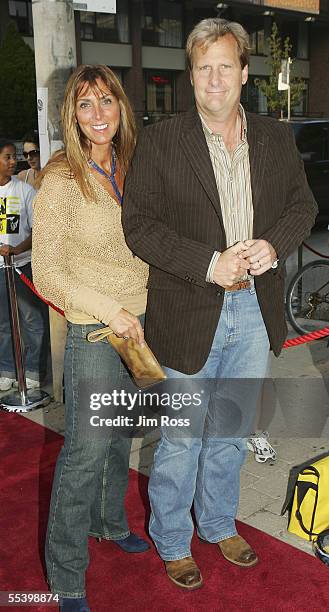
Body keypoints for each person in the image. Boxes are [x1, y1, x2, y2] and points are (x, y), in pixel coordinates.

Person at [122, 18, 318, 590]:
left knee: (229, 431)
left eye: (224, 66)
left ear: (243, 72)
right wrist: (208, 262)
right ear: (191, 75)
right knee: (181, 436)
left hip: (254, 312)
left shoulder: (275, 138)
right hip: (187, 309)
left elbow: (302, 208)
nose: (214, 78)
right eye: (203, 67)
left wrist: (272, 245)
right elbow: (140, 227)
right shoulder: (161, 141)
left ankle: (215, 524)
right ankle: (173, 539)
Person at [32, 65, 150, 612]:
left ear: (121, 106)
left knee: (121, 437)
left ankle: (109, 521)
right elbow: (48, 272)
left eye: (106, 101)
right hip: (96, 329)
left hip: (142, 331)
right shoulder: (60, 178)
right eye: (86, 105)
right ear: (71, 116)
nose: (98, 114)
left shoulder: (132, 166)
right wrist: (113, 310)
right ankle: (65, 575)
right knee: (85, 450)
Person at [0, 139, 48, 391]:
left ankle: (32, 371)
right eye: (7, 157)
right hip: (0, 270)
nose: (13, 162)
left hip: (22, 267)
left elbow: (38, 230)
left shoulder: (25, 191)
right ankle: (7, 369)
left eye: (13, 157)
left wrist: (17, 250)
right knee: (3, 323)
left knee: (31, 320)